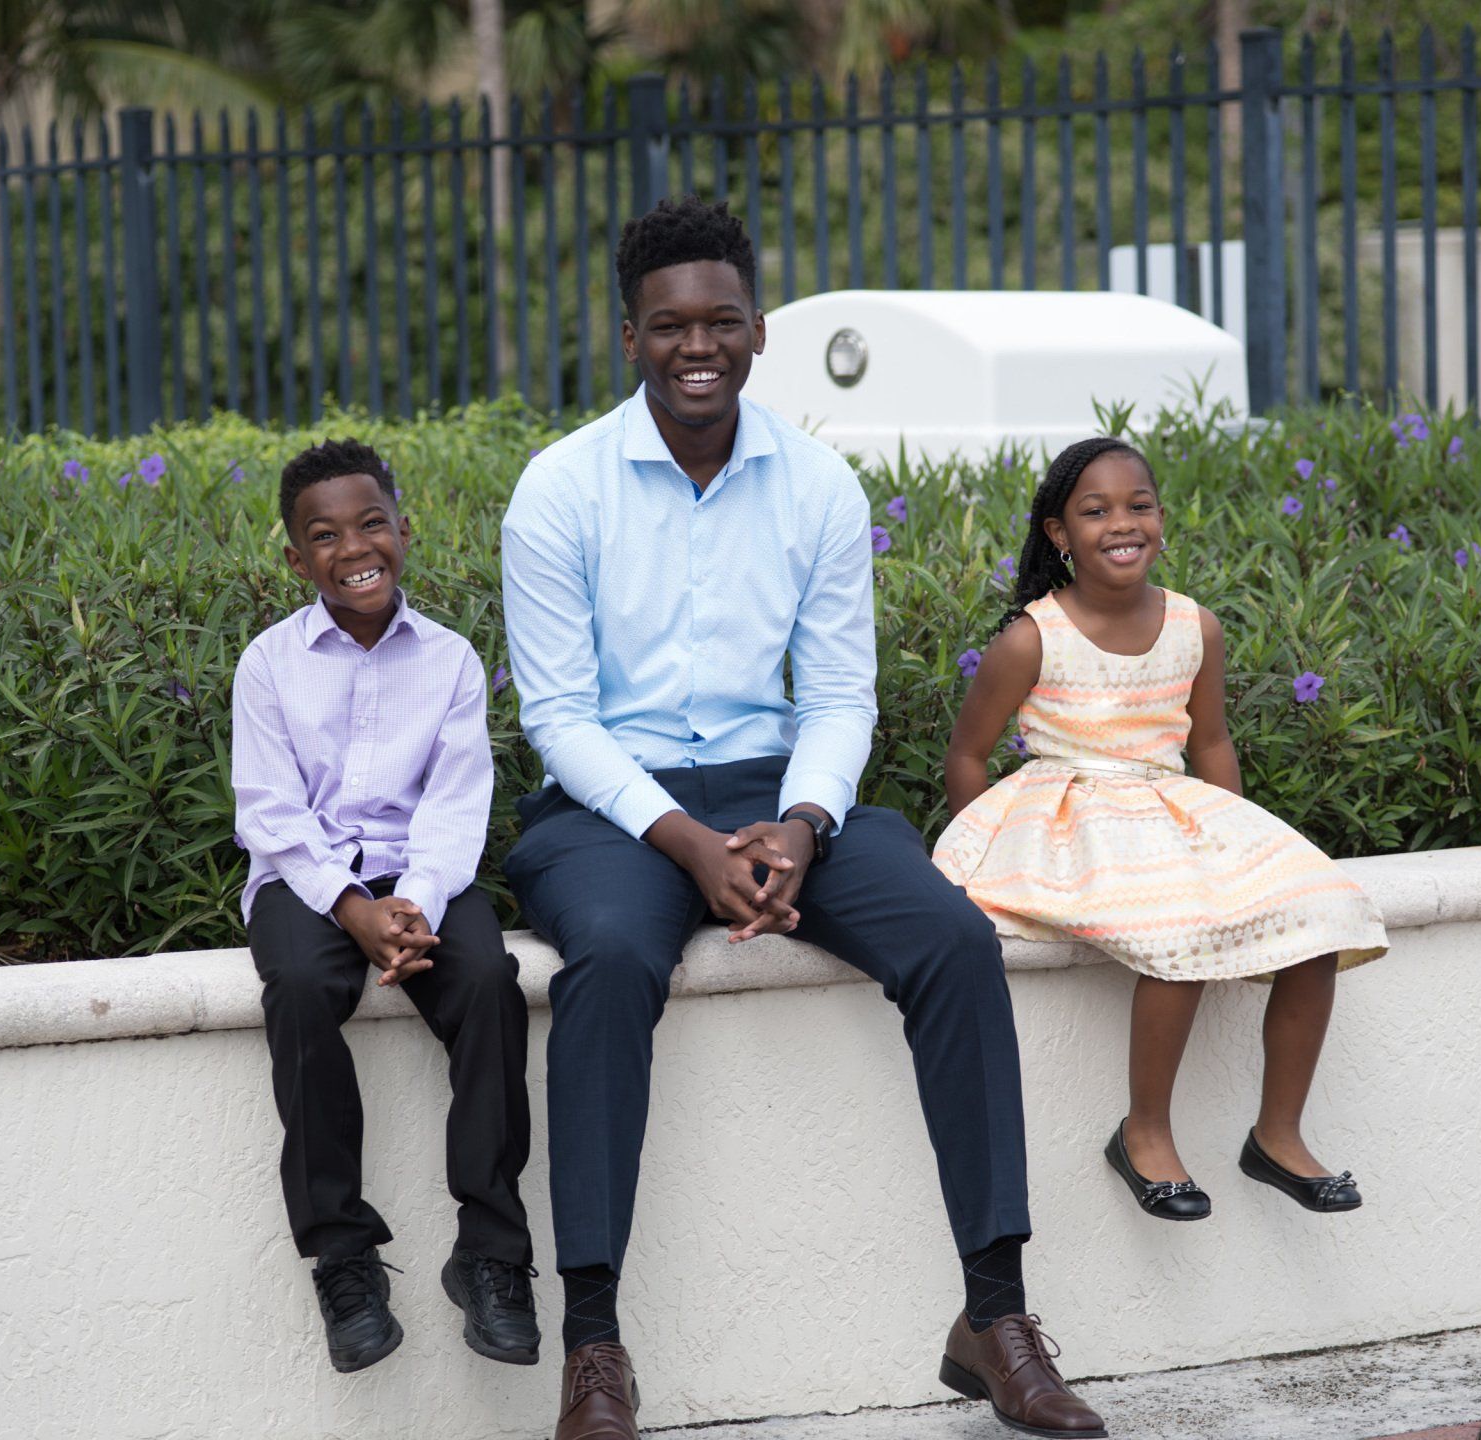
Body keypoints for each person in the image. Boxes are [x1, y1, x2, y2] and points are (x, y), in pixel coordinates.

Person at [501, 196, 1106, 1440]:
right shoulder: (558, 491)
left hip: (781, 793)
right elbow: (559, 717)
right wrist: (688, 844)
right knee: (610, 961)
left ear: (760, 329)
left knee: (951, 939)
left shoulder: (819, 484)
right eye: (670, 325)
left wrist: (801, 826)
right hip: (614, 813)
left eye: (722, 319)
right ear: (631, 338)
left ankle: (995, 1314)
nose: (697, 345)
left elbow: (838, 694)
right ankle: (596, 1345)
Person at [934, 435, 1389, 1226]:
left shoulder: (1194, 627)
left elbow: (1209, 742)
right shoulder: (1032, 637)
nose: (1122, 523)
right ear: (1058, 534)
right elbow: (968, 755)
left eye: (1138, 505)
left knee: (1324, 916)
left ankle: (1276, 1134)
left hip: (1171, 806)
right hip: (1075, 817)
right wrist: (982, 849)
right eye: (1096, 510)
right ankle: (1143, 1132)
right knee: (1174, 931)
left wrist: (1241, 844)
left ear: (1163, 518)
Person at [232, 438, 539, 1375]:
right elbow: (270, 812)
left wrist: (410, 903)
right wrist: (350, 906)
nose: (353, 546)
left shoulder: (447, 660)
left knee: (489, 981)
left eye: (371, 523)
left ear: (405, 530)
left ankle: (490, 1251)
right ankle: (343, 1253)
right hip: (305, 875)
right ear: (295, 560)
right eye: (323, 535)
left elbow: (456, 801)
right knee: (295, 985)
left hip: (423, 873)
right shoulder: (269, 664)